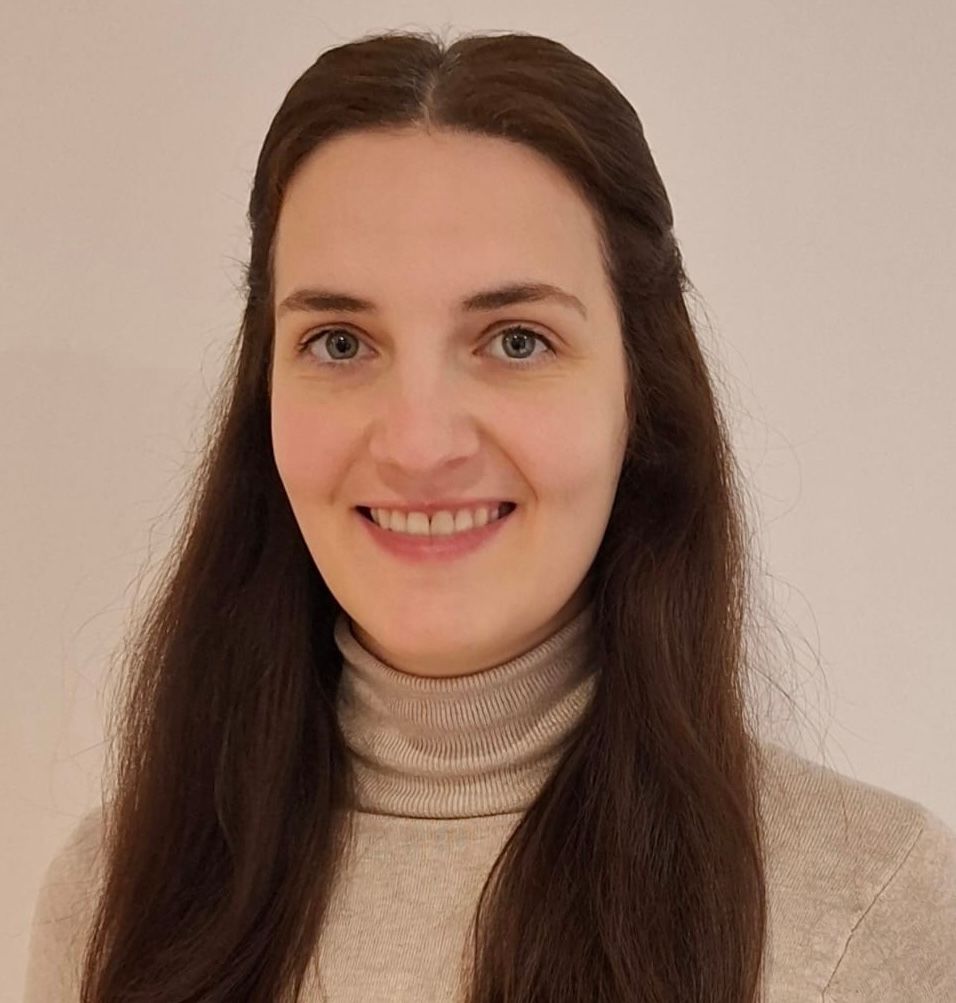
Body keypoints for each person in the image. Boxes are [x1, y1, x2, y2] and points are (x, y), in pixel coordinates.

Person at [23, 27, 956, 1002]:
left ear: (639, 393)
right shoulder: (108, 899)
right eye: (339, 342)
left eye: (515, 339)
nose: (417, 444)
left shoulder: (866, 913)